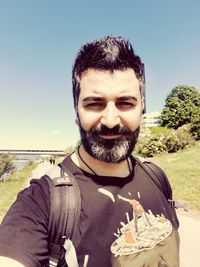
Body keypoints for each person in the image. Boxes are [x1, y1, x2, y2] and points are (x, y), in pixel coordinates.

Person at [0, 36, 180, 267]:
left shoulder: (157, 178)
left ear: (141, 108)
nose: (111, 120)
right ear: (76, 110)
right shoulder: (41, 202)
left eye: (125, 103)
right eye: (95, 103)